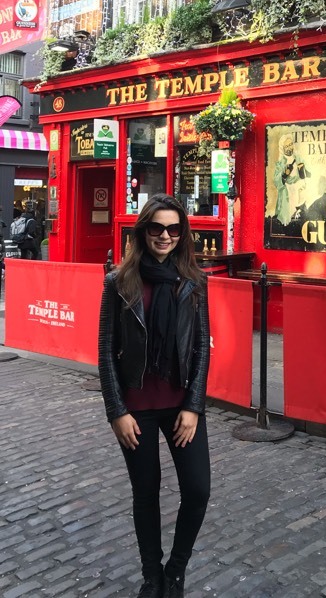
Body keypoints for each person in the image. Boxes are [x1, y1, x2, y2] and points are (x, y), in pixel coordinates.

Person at [98, 194, 210, 598]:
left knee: (197, 490)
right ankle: (152, 576)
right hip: (137, 410)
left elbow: (201, 347)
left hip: (182, 407)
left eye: (173, 229)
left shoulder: (194, 281)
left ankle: (175, 570)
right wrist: (117, 411)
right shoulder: (118, 280)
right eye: (157, 228)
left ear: (182, 234)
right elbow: (106, 350)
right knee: (146, 493)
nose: (165, 236)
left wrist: (194, 407)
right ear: (143, 231)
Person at [273, 133, 310, 226]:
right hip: (287, 193)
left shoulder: (298, 158)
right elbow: (276, 182)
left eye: (291, 144)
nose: (290, 147)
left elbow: (308, 174)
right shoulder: (281, 163)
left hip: (299, 191)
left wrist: (303, 171)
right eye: (287, 146)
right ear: (283, 148)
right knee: (288, 218)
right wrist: (284, 175)